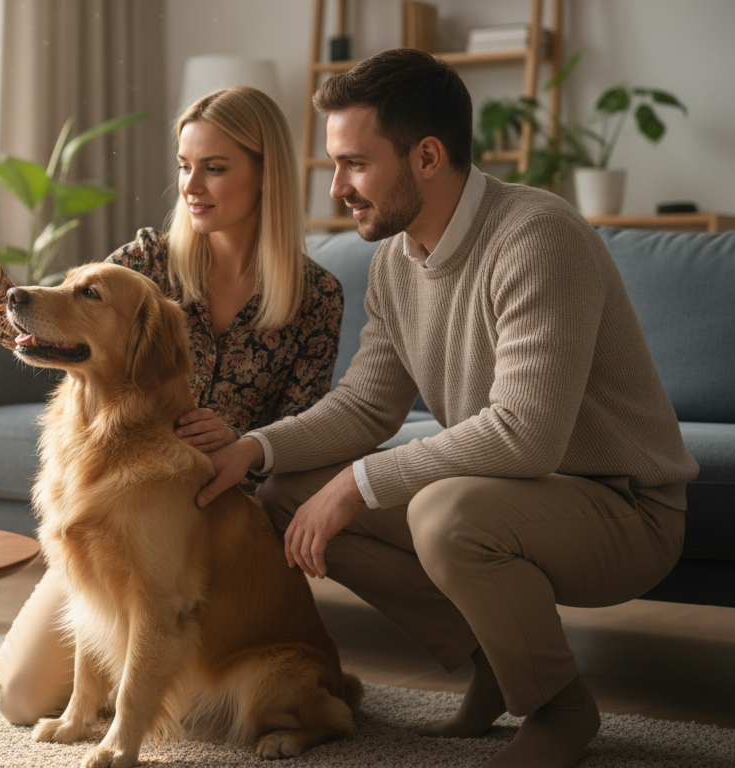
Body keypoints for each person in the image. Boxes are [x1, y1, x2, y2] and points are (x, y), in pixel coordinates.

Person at [198, 49, 697, 768]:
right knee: (289, 493)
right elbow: (369, 403)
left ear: (427, 156)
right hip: (516, 494)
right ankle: (495, 662)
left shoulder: (538, 237)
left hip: (624, 509)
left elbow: (527, 435)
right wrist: (253, 447)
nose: (337, 187)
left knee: (442, 513)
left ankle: (560, 707)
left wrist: (360, 482)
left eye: (355, 164)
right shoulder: (397, 263)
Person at [0, 85, 344, 724]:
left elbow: (311, 425)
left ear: (266, 175)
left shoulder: (315, 296)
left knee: (175, 649)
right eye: (184, 166)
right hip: (119, 503)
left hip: (211, 523)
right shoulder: (149, 260)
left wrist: (242, 441)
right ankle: (131, 672)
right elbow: (59, 324)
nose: (192, 185)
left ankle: (174, 680)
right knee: (18, 698)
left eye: (215, 167)